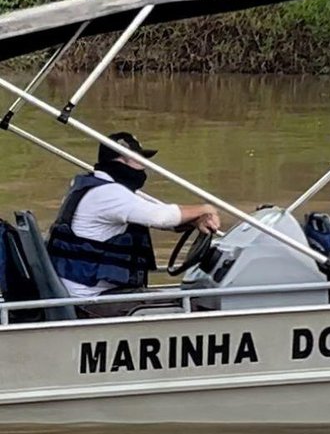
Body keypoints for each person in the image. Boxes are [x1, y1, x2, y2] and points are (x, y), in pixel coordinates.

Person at [47, 131, 221, 315]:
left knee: (187, 298)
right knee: (199, 306)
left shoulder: (95, 187)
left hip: (88, 294)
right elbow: (160, 217)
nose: (145, 167)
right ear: (122, 160)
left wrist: (194, 222)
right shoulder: (108, 194)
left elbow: (163, 219)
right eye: (140, 160)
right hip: (92, 300)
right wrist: (206, 209)